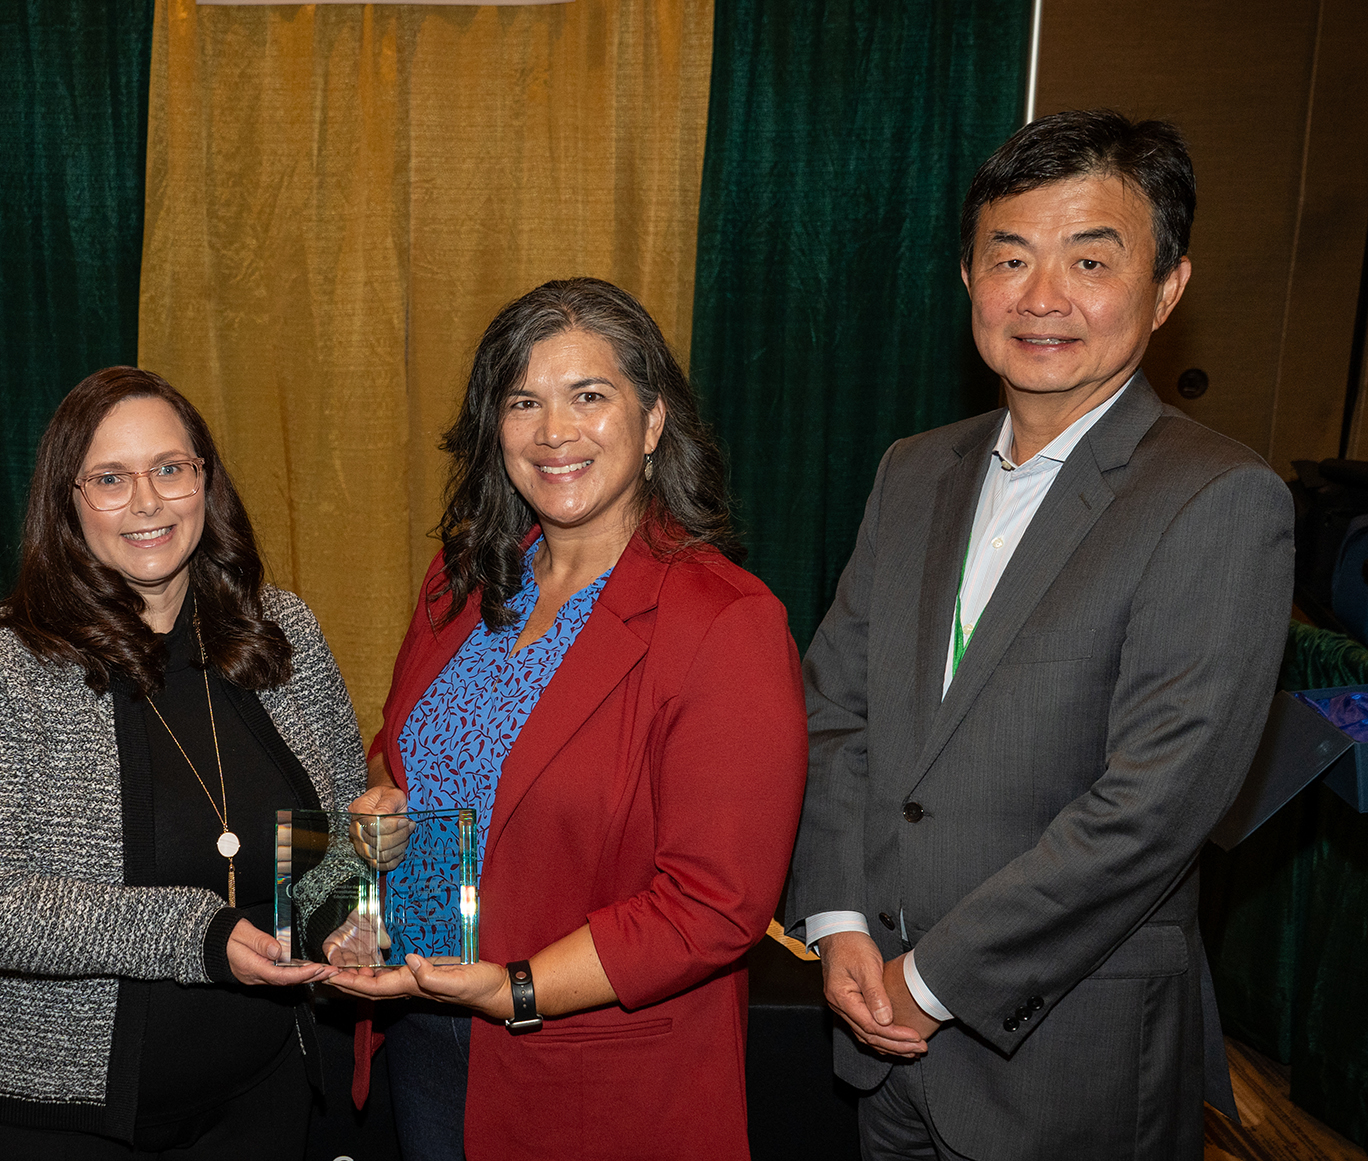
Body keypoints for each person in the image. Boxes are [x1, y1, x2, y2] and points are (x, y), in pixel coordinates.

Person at [783, 110, 1294, 1158]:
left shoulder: (1217, 499)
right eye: (1008, 257)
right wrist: (834, 920)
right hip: (874, 1038)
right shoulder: (912, 469)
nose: (1041, 296)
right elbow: (834, 710)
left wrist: (931, 982)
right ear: (967, 279)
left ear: (1165, 290)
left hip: (1064, 1061)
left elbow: (1151, 806)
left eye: (1089, 259)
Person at [328, 277, 809, 1160]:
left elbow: (715, 905)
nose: (554, 432)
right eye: (524, 402)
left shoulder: (723, 621)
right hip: (425, 1044)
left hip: (594, 1084)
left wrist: (513, 988)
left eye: (590, 396)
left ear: (653, 421)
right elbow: (407, 765)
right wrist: (382, 821)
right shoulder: (461, 582)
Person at [0, 367, 366, 1160]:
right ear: (67, 501)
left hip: (260, 1097)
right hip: (48, 1116)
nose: (148, 501)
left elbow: (332, 833)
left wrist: (349, 903)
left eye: (170, 469)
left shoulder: (280, 632)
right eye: (111, 478)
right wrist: (200, 935)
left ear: (204, 483)